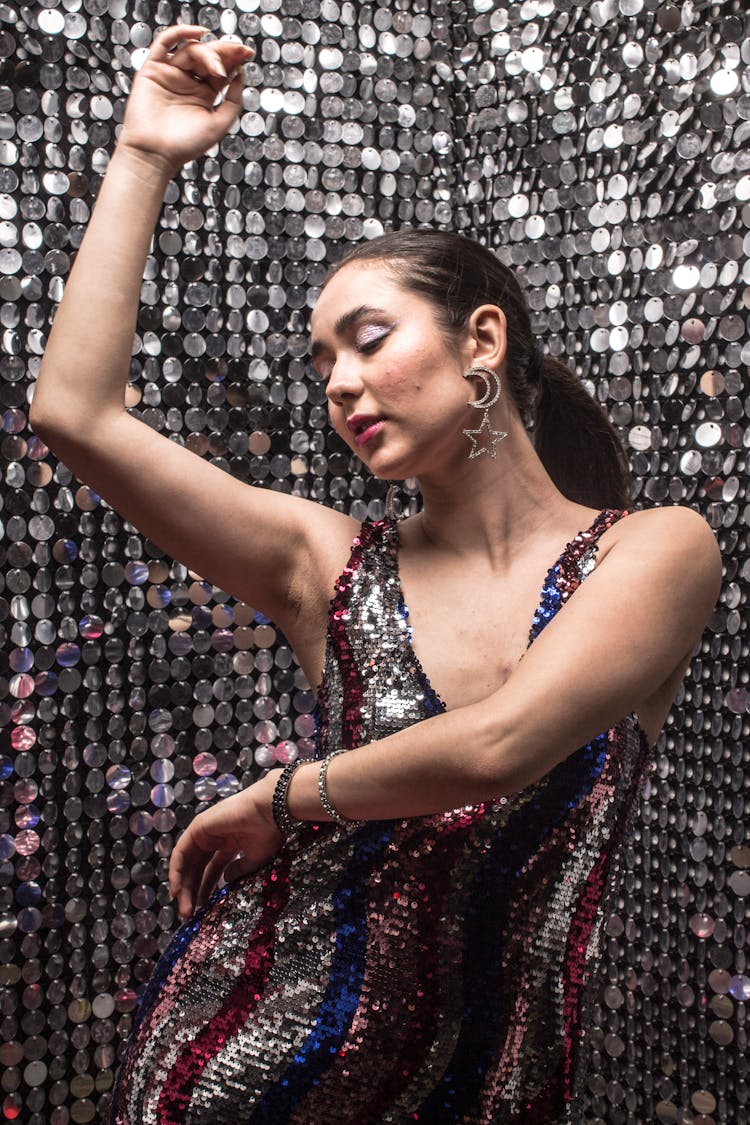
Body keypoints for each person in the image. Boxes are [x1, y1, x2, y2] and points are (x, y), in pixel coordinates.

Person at [31, 27, 722, 1125]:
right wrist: (144, 154)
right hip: (243, 1057)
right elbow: (76, 414)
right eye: (322, 364)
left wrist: (281, 796)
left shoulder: (656, 549)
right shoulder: (326, 562)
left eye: (367, 340)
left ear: (480, 340)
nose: (342, 385)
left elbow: (502, 746)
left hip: (488, 1084)